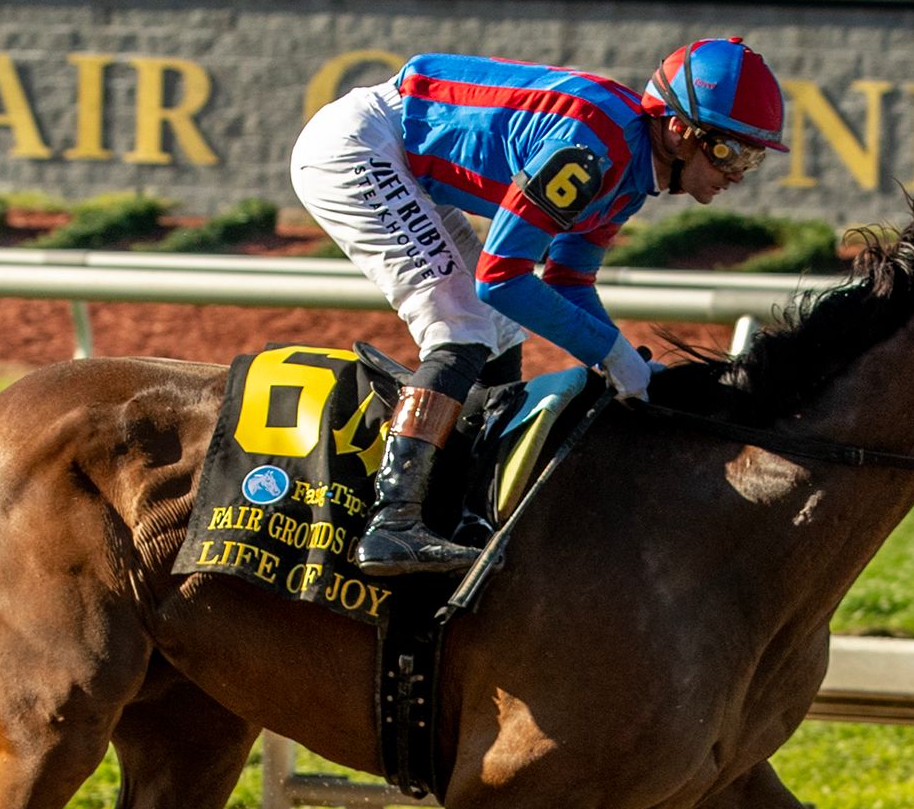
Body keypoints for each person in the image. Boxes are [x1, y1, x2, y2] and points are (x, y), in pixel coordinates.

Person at [290, 38, 786, 575]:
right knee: (462, 327)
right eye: (730, 152)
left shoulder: (632, 172)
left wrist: (625, 360)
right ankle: (393, 522)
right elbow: (500, 278)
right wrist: (613, 352)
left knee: (501, 333)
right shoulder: (592, 150)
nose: (738, 173)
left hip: (394, 153)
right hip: (359, 147)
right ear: (678, 130)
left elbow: (568, 279)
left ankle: (464, 509)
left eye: (753, 157)